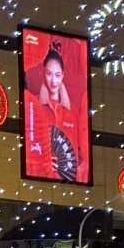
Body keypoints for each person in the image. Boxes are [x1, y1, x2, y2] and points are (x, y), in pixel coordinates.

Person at [26, 41, 85, 182]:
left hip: (69, 184)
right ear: (43, 72)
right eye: (49, 74)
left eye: (58, 75)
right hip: (39, 178)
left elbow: (80, 156)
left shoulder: (73, 111)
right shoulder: (32, 105)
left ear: (63, 75)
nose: (53, 81)